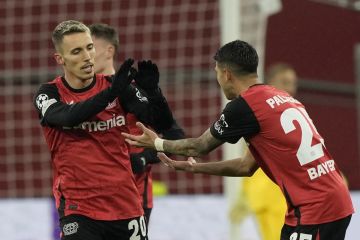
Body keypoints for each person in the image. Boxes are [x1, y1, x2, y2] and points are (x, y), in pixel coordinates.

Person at [122, 40, 354, 240]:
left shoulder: (244, 107)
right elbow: (246, 166)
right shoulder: (280, 97)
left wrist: (157, 143)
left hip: (316, 207)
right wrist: (196, 169)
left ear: (226, 74)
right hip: (333, 198)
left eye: (216, 73)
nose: (218, 81)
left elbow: (199, 146)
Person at [33, 20, 149, 240]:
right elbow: (67, 116)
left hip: (126, 206)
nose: (87, 56)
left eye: (89, 47)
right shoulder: (48, 92)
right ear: (60, 59)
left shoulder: (117, 87)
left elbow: (162, 123)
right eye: (77, 51)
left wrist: (154, 93)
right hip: (78, 209)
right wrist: (109, 95)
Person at [89, 23, 184, 226]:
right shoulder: (80, 96)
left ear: (109, 50)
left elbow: (175, 135)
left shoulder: (133, 93)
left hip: (133, 195)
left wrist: (142, 159)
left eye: (91, 48)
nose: (87, 56)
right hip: (89, 198)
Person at [229, 63, 297, 240]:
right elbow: (251, 157)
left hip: (286, 198)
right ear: (271, 83)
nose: (290, 88)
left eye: (293, 83)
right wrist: (243, 198)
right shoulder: (264, 113)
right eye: (285, 82)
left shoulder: (293, 114)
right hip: (267, 197)